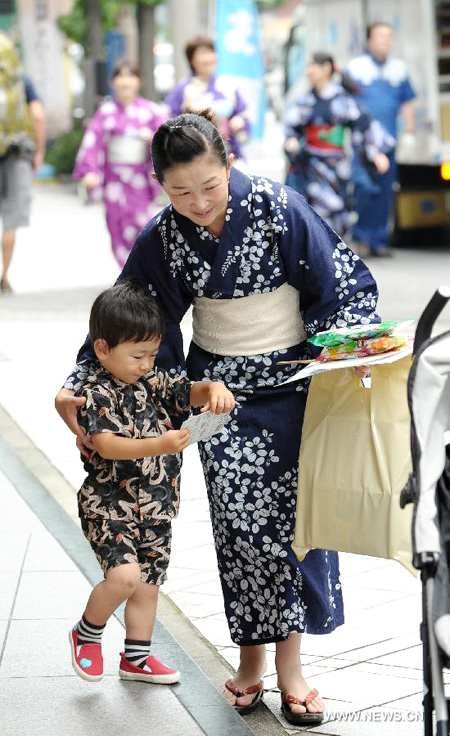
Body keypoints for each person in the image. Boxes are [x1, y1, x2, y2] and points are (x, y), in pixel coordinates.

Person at [56, 112, 380, 726]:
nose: (198, 203)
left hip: (290, 386)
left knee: (295, 525)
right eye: (180, 192)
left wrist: (347, 351)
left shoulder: (281, 209)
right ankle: (250, 662)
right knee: (237, 526)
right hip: (217, 396)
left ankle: (292, 670)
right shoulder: (164, 237)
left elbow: (342, 288)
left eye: (210, 185)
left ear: (229, 165)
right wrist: (81, 383)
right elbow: (124, 321)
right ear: (159, 185)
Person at [68, 278, 234, 684]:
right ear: (103, 349)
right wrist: (160, 444)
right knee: (124, 577)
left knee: (146, 585)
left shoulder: (153, 380)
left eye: (152, 354)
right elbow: (106, 445)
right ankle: (87, 632)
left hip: (157, 506)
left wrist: (213, 388)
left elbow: (186, 392)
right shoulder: (96, 391)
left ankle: (136, 660)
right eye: (138, 355)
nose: (146, 364)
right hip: (110, 504)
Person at [285, 52, 394, 246]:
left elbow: (364, 125)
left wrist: (376, 152)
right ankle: (318, 253)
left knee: (337, 208)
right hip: (311, 164)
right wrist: (291, 141)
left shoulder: (342, 99)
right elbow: (292, 127)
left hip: (337, 165)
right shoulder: (306, 100)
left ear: (326, 68)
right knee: (314, 208)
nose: (308, 70)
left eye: (313, 65)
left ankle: (333, 254)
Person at [74, 60, 166, 268]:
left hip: (140, 179)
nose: (125, 82)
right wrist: (89, 171)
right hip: (114, 180)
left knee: (143, 226)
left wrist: (152, 138)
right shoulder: (105, 112)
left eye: (130, 76)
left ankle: (143, 272)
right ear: (113, 82)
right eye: (120, 76)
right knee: (115, 226)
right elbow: (92, 142)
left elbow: (168, 140)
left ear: (139, 81)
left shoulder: (151, 111)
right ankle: (128, 273)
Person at [345, 22, 416, 257]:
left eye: (389, 36)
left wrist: (409, 131)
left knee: (386, 191)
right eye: (380, 36)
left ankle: (379, 239)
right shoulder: (356, 69)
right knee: (365, 189)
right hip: (364, 143)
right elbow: (345, 104)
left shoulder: (399, 69)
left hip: (389, 142)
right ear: (369, 40)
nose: (385, 41)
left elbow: (407, 102)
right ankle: (362, 237)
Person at [0, 33, 45, 293]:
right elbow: (37, 115)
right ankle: (4, 277)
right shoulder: (21, 81)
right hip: (17, 155)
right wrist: (38, 152)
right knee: (12, 219)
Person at [164, 36, 250, 160]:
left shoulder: (226, 86)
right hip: (193, 156)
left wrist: (239, 122)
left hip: (226, 153)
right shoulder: (184, 89)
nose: (207, 59)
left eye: (210, 52)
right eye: (202, 54)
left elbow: (243, 114)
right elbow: (167, 119)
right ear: (191, 60)